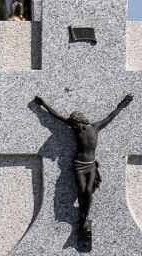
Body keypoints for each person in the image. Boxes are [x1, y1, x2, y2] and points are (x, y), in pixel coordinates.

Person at [33, 93, 134, 245]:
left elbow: (111, 116)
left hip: (91, 165)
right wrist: (42, 104)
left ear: (81, 121)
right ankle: (83, 219)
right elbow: (57, 116)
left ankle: (84, 218)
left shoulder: (95, 127)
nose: (75, 127)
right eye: (73, 124)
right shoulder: (75, 129)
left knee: (88, 191)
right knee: (82, 190)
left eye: (76, 123)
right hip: (79, 164)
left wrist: (123, 102)